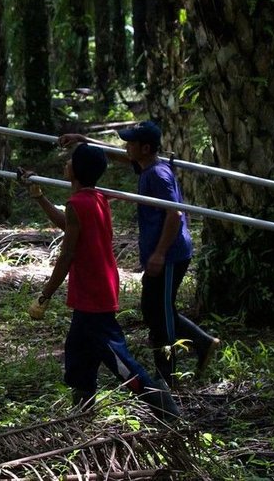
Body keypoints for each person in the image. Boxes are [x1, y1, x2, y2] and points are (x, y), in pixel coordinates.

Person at [21, 144, 179, 419]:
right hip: (96, 291)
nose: (66, 163)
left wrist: (45, 295)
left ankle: (163, 407)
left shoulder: (79, 204)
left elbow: (67, 253)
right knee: (78, 356)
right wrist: (39, 196)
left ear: (76, 169)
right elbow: (70, 226)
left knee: (119, 361)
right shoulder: (96, 199)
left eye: (70, 160)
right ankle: (82, 415)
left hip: (93, 295)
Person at [59, 121, 220, 387]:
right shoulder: (144, 164)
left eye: (131, 144)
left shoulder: (157, 174)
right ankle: (202, 342)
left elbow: (174, 213)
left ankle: (167, 377)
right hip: (161, 253)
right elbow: (114, 155)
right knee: (152, 309)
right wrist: (83, 140)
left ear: (145, 148)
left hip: (170, 255)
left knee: (161, 314)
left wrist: (159, 254)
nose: (126, 147)